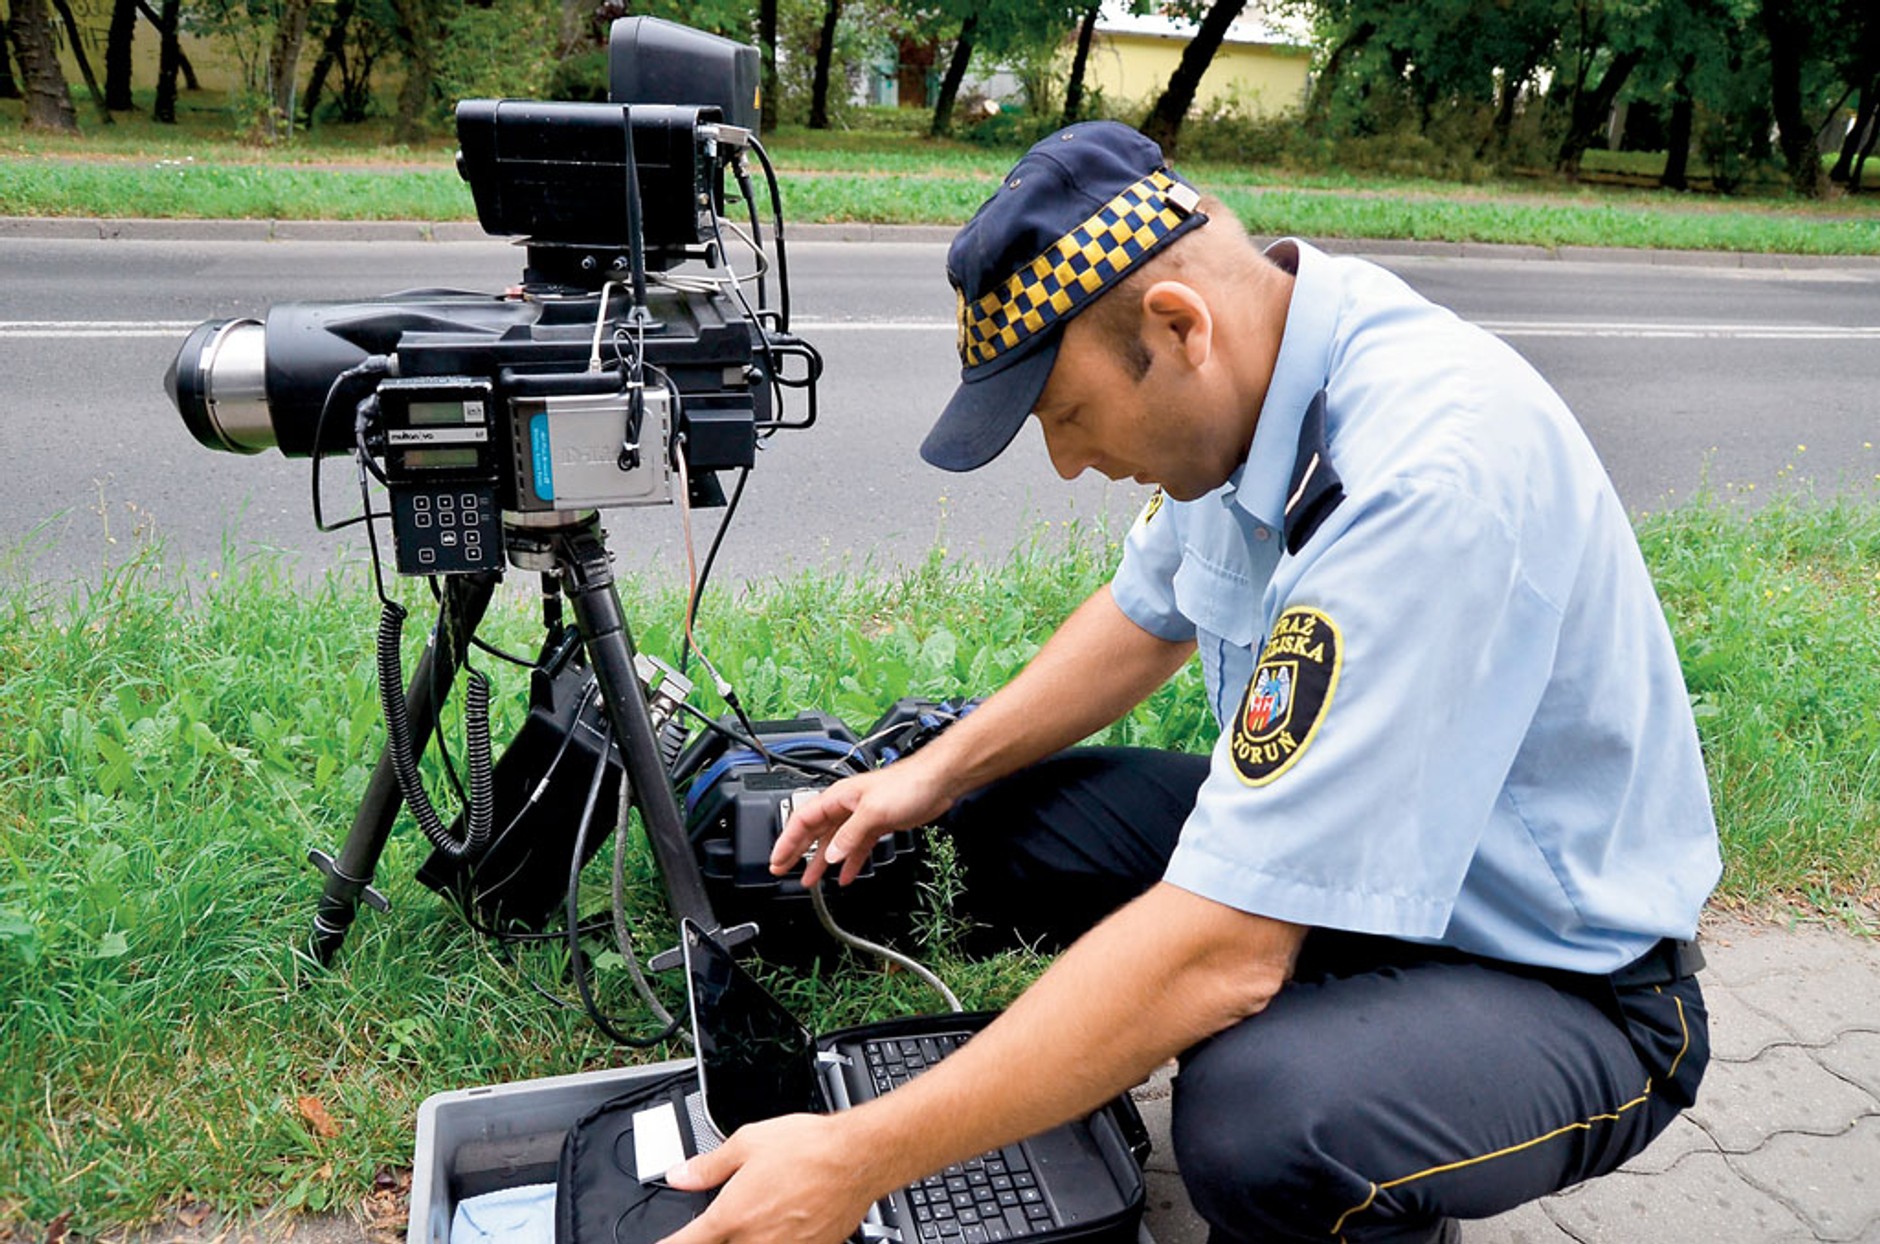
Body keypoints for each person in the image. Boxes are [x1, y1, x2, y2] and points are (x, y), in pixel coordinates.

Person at [662, 121, 1720, 1244]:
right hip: (1371, 866)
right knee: (1008, 820)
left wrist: (858, 1157)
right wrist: (922, 775)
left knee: (1261, 1119)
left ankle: (1376, 1138)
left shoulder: (1422, 481)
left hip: (1555, 975)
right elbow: (1143, 612)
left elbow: (1225, 947)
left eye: (1063, 416)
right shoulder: (1265, 360)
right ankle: (1312, 1014)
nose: (1065, 462)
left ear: (1175, 327)